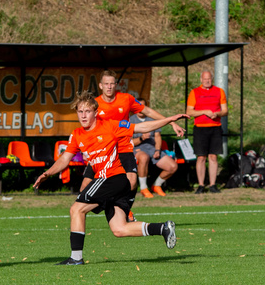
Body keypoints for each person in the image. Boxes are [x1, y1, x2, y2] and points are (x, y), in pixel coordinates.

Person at [33, 91, 188, 265]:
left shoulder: (110, 125)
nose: (83, 115)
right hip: (113, 183)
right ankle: (162, 228)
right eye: (80, 112)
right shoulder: (77, 134)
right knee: (119, 229)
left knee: (76, 209)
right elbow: (64, 159)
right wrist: (47, 173)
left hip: (112, 178)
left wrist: (170, 120)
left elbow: (142, 128)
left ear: (95, 112)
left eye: (87, 111)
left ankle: (75, 258)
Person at [78, 70, 186, 211]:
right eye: (106, 84)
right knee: (85, 186)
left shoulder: (126, 99)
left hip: (123, 147)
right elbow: (87, 128)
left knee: (132, 182)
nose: (109, 87)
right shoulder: (95, 105)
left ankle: (124, 211)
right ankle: (78, 215)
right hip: (103, 150)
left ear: (116, 85)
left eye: (112, 84)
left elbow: (148, 111)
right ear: (100, 85)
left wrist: (171, 122)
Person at [186, 70, 228, 194]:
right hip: (200, 127)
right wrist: (204, 111)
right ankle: (200, 184)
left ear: (212, 79)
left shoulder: (219, 91)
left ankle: (213, 184)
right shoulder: (195, 92)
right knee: (201, 157)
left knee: (213, 156)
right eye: (205, 79)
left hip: (215, 127)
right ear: (201, 79)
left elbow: (225, 110)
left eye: (209, 79)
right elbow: (189, 112)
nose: (207, 81)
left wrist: (217, 114)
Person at [130, 98, 179, 197]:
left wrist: (157, 150)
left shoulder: (152, 120)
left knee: (172, 166)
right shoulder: (130, 120)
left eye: (142, 107)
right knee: (144, 157)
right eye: (137, 107)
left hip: (152, 148)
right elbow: (129, 142)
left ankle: (156, 185)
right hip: (137, 148)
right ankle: (143, 188)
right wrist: (141, 138)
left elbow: (157, 137)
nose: (140, 110)